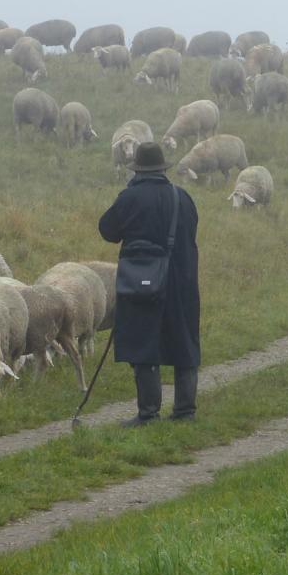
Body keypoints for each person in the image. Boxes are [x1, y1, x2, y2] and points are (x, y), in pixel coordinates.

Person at [97, 141, 201, 426]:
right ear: (162, 168)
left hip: (140, 282)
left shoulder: (129, 198)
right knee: (183, 342)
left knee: (143, 343)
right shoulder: (182, 198)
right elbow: (191, 232)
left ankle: (148, 414)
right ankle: (184, 412)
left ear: (137, 170)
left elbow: (107, 230)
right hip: (181, 282)